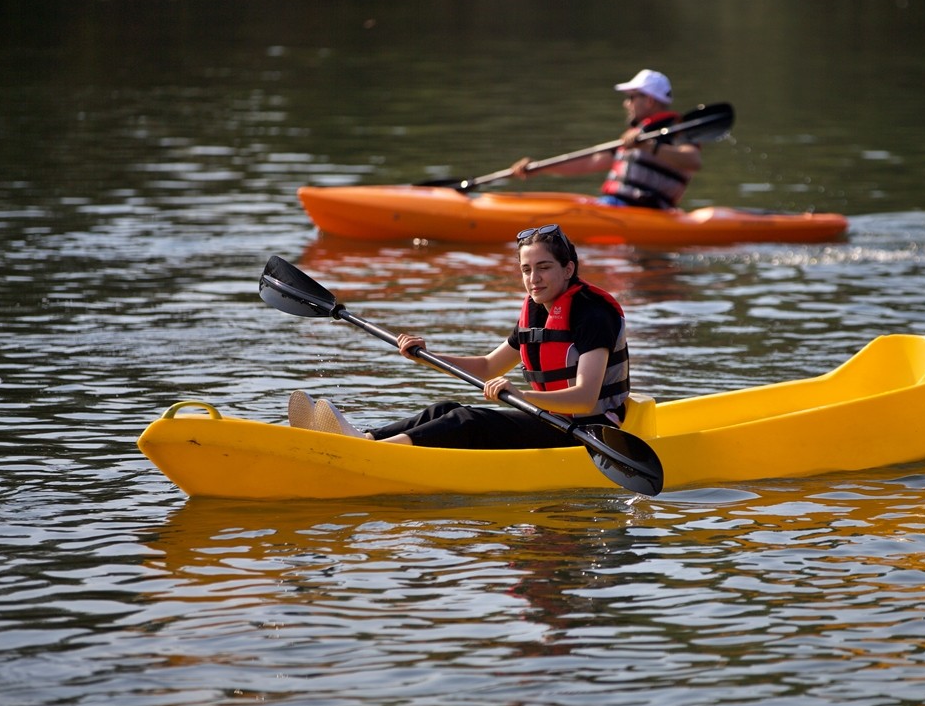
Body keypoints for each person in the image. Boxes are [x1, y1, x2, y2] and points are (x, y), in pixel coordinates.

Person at [288, 223, 631, 449]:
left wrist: (517, 392)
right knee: (445, 408)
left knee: (467, 419)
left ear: (568, 269)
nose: (533, 279)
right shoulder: (538, 309)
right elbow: (486, 366)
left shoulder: (592, 314)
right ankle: (365, 439)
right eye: (526, 270)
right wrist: (424, 355)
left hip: (590, 434)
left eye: (544, 268)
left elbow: (585, 399)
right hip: (551, 421)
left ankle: (379, 453)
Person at [508, 69, 702, 209]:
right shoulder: (636, 136)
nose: (626, 104)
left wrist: (649, 146)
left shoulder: (676, 129)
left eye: (631, 97)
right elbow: (590, 162)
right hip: (619, 207)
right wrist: (540, 168)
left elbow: (693, 161)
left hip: (644, 210)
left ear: (649, 100)